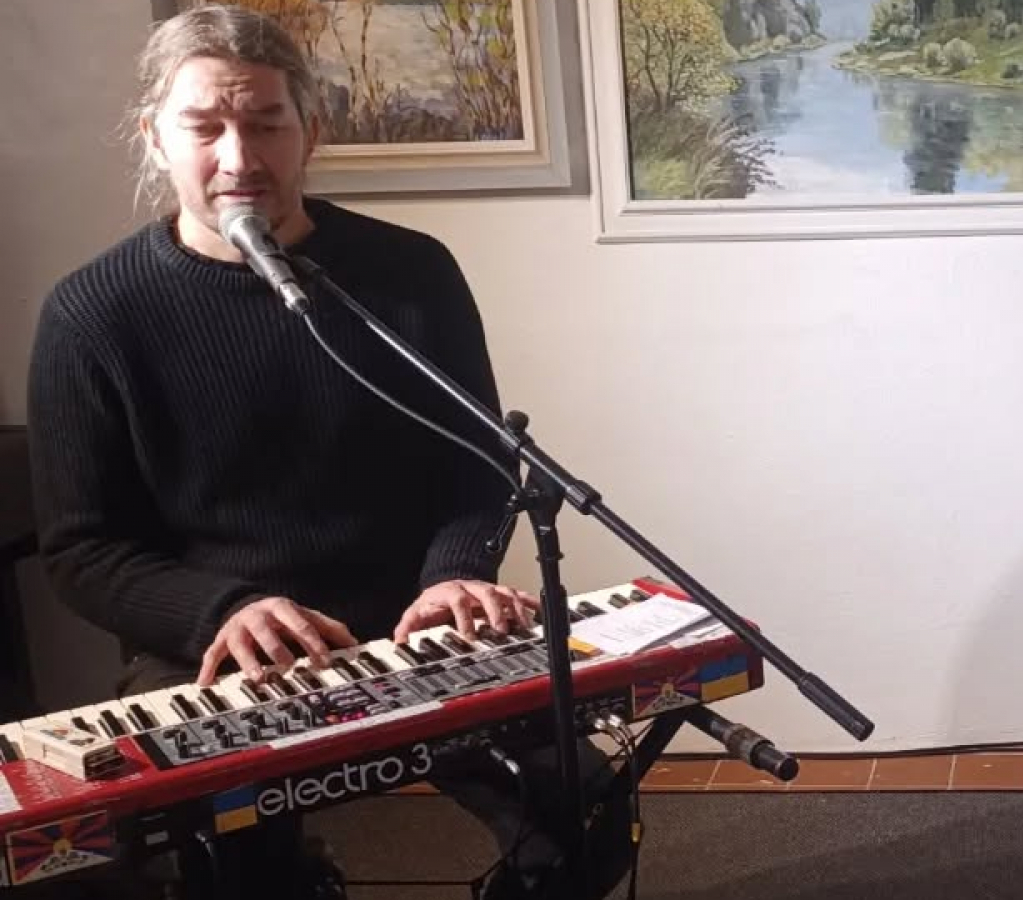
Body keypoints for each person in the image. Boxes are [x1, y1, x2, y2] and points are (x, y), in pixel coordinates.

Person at [27, 6, 630, 899]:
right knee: (237, 873)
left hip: (412, 617)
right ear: (156, 139)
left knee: (585, 811)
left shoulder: (412, 271)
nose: (239, 158)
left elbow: (478, 462)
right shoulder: (91, 315)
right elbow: (82, 550)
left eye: (266, 123)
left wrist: (455, 573)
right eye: (205, 128)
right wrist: (225, 609)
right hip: (220, 645)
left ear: (311, 130)